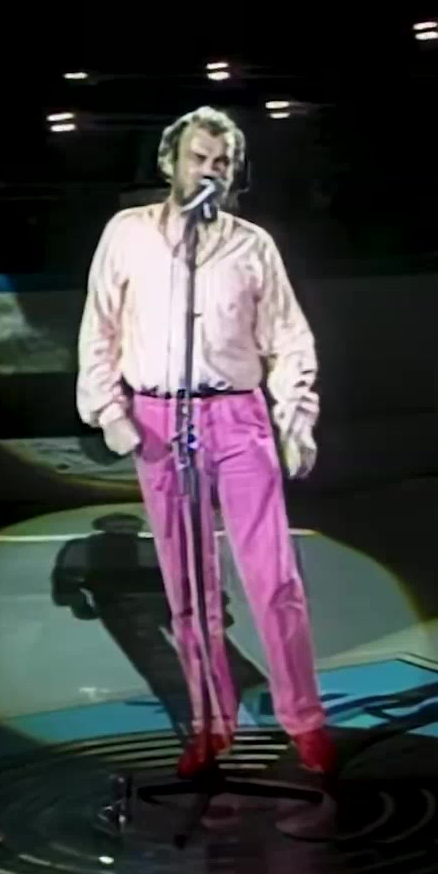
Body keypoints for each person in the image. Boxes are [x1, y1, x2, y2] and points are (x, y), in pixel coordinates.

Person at [76, 106, 334, 777]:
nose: (210, 171)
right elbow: (100, 326)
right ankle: (211, 723)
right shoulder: (128, 234)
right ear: (170, 162)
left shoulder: (252, 245)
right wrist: (110, 412)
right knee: (189, 587)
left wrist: (295, 420)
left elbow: (289, 338)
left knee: (273, 579)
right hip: (159, 421)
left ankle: (304, 719)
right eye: (198, 158)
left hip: (238, 417)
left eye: (222, 162)